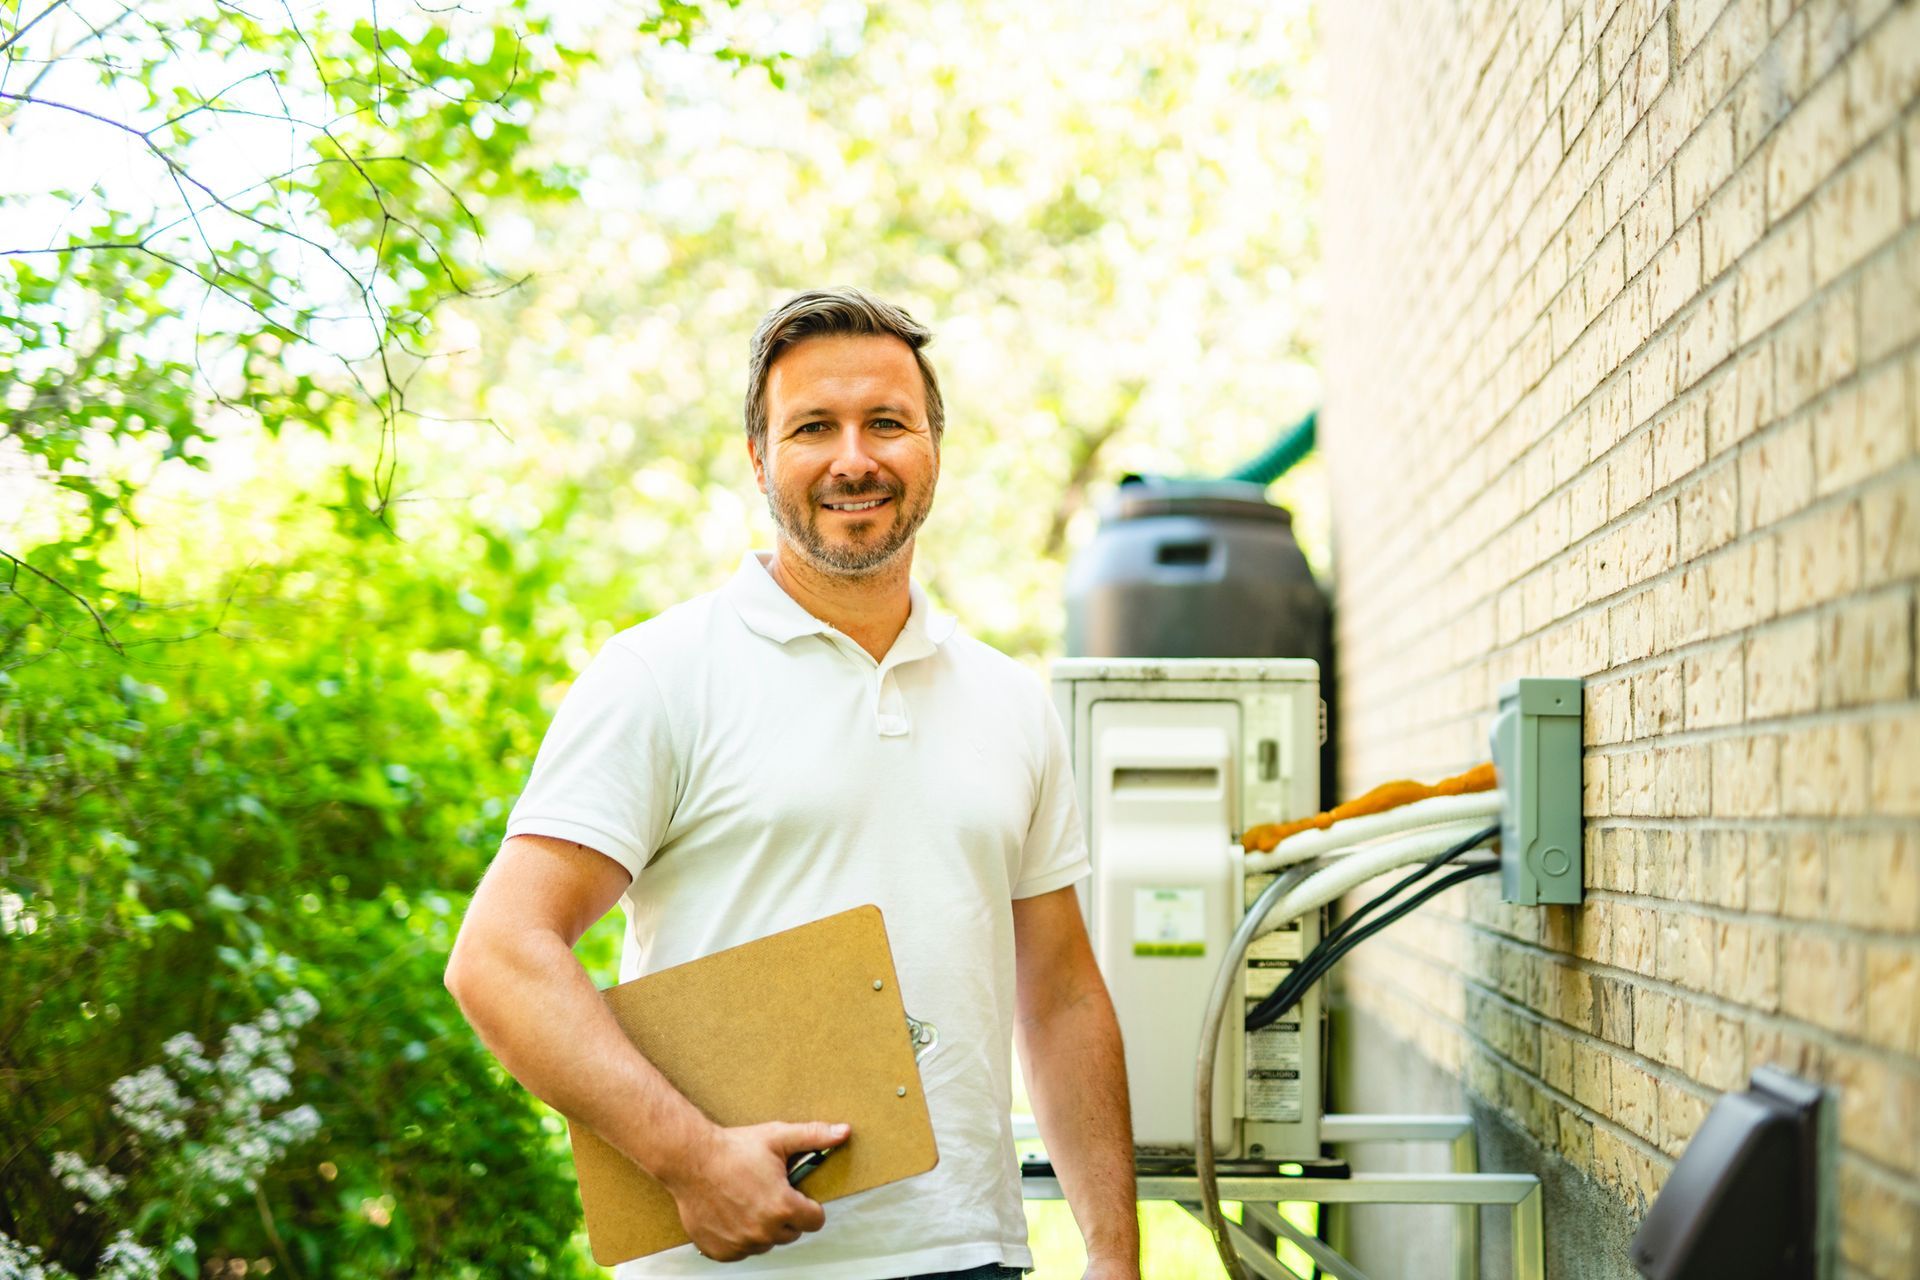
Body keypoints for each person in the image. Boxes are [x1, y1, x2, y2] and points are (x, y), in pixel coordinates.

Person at [444, 288, 1140, 1279]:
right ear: (761, 458)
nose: (853, 457)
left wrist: (1115, 1251)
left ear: (932, 449)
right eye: (814, 426)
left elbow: (1062, 992)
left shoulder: (1009, 701)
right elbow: (500, 955)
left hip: (968, 1253)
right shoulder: (659, 674)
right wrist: (689, 1159)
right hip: (725, 1261)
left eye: (887, 422)